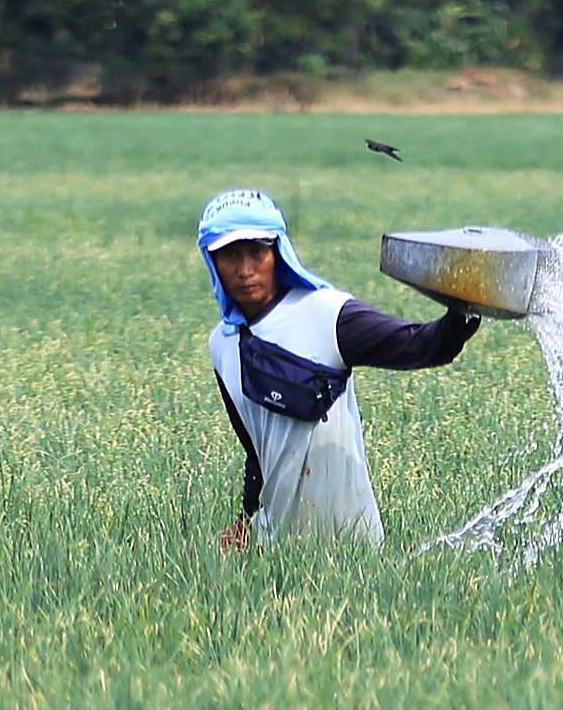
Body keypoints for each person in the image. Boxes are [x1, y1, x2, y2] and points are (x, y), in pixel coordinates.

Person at [199, 189, 480, 548]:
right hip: (275, 546)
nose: (245, 270)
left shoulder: (328, 314)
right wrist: (245, 524)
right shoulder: (222, 345)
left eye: (257, 252)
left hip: (351, 543)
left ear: (277, 252)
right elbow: (257, 450)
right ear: (211, 260)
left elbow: (423, 345)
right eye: (230, 255)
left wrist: (462, 309)